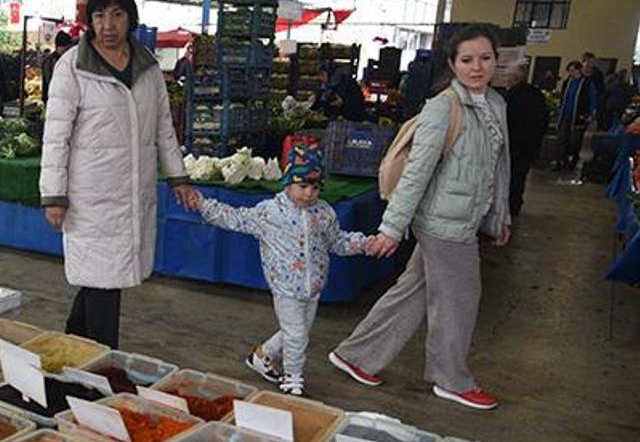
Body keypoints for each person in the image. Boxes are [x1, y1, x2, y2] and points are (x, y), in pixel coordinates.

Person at [328, 23, 512, 411]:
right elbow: (416, 173)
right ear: (452, 64)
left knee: (413, 292)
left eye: (485, 58)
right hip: (442, 222)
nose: (476, 67)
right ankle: (451, 378)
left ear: (496, 60)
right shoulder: (443, 107)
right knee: (461, 299)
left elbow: (499, 167)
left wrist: (500, 215)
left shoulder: (495, 104)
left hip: (466, 217)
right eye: (467, 60)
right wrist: (392, 228)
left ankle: (355, 355)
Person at [40, 0, 195, 349]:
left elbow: (163, 128)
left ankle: (72, 349)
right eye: (99, 15)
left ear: (131, 18)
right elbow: (55, 136)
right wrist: (54, 195)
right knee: (103, 284)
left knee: (101, 280)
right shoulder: (71, 67)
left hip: (132, 192)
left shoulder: (148, 67)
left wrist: (178, 178)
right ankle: (103, 369)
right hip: (90, 196)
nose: (108, 25)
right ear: (89, 21)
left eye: (117, 14)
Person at [190, 146, 369, 396]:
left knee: (298, 331)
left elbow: (337, 241)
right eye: (303, 186)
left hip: (314, 285)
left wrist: (364, 244)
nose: (309, 193)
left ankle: (262, 356)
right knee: (297, 335)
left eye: (316, 187)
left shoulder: (324, 212)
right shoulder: (270, 212)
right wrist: (204, 205)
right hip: (285, 286)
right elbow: (235, 218)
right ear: (287, 183)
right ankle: (293, 377)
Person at [504, 63, 549, 216]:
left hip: (513, 144)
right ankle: (515, 204)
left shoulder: (511, 97)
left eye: (508, 77)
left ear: (514, 78)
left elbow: (506, 121)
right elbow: (544, 119)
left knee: (509, 176)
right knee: (520, 175)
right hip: (530, 144)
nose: (506, 81)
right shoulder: (536, 94)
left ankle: (508, 205)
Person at [555, 61, 596, 173]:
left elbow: (592, 99)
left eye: (573, 70)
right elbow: (564, 98)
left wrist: (590, 114)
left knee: (575, 140)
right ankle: (560, 161)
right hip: (566, 115)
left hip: (579, 116)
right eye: (570, 71)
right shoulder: (567, 82)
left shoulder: (587, 83)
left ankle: (573, 160)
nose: (571, 73)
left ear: (578, 70)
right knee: (562, 139)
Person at [41, 31, 74, 103]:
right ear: (58, 47)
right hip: (53, 99)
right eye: (65, 49)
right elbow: (49, 80)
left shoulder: (69, 59)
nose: (67, 51)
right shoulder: (50, 61)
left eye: (68, 49)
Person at [581, 52, 606, 125]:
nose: (590, 65)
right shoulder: (578, 74)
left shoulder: (597, 74)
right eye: (588, 62)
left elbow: (601, 90)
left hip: (593, 104)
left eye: (592, 62)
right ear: (583, 62)